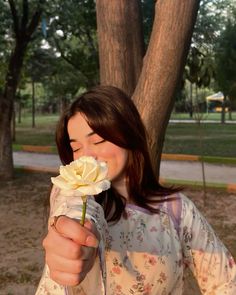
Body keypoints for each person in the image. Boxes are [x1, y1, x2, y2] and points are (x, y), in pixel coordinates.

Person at [36, 85, 236, 295]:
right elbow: (73, 210)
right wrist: (75, 236)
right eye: (76, 148)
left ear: (128, 133)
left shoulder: (177, 210)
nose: (86, 156)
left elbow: (226, 282)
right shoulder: (74, 192)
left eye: (97, 140)